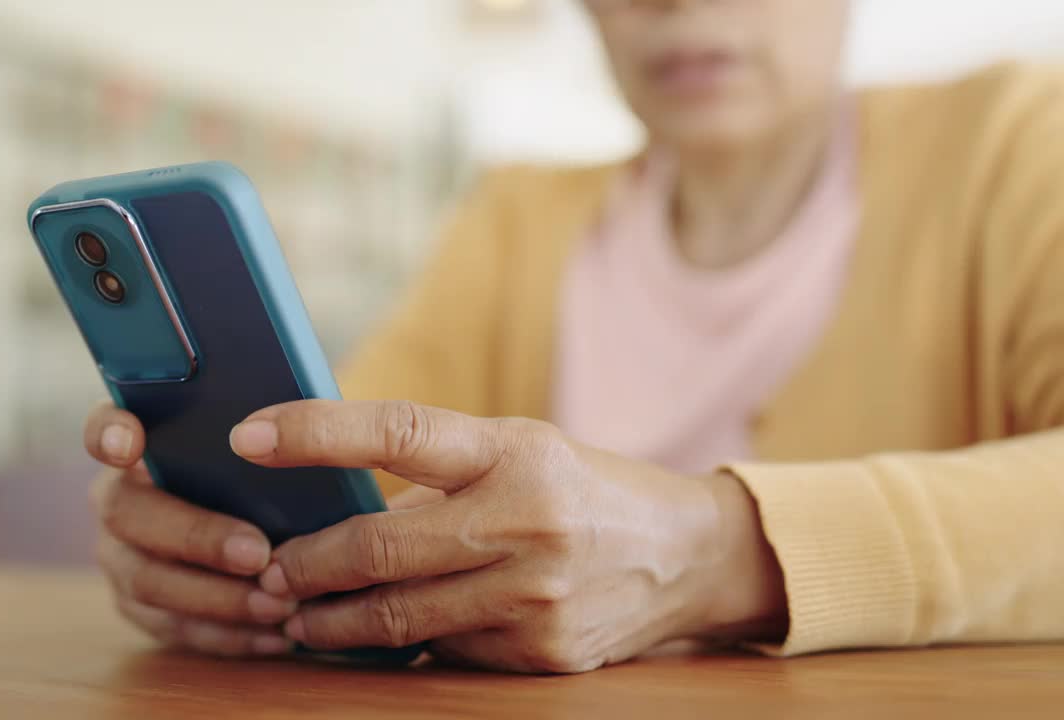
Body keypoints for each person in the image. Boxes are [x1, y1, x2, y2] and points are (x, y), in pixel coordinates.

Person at [81, 0, 1064, 673]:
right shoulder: (513, 216)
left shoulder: (1017, 141)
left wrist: (719, 555)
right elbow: (349, 493)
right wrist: (224, 551)